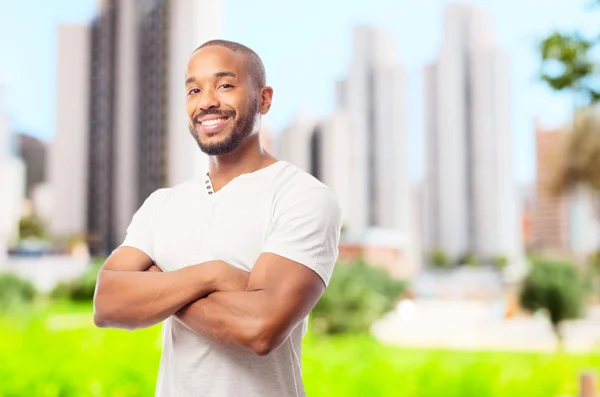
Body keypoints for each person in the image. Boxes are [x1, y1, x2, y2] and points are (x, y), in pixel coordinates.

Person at [92, 39, 342, 397]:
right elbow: (108, 303)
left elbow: (259, 329)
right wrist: (215, 274)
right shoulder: (162, 204)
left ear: (265, 99)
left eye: (225, 85)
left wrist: (161, 287)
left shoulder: (303, 197)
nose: (207, 101)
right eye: (194, 89)